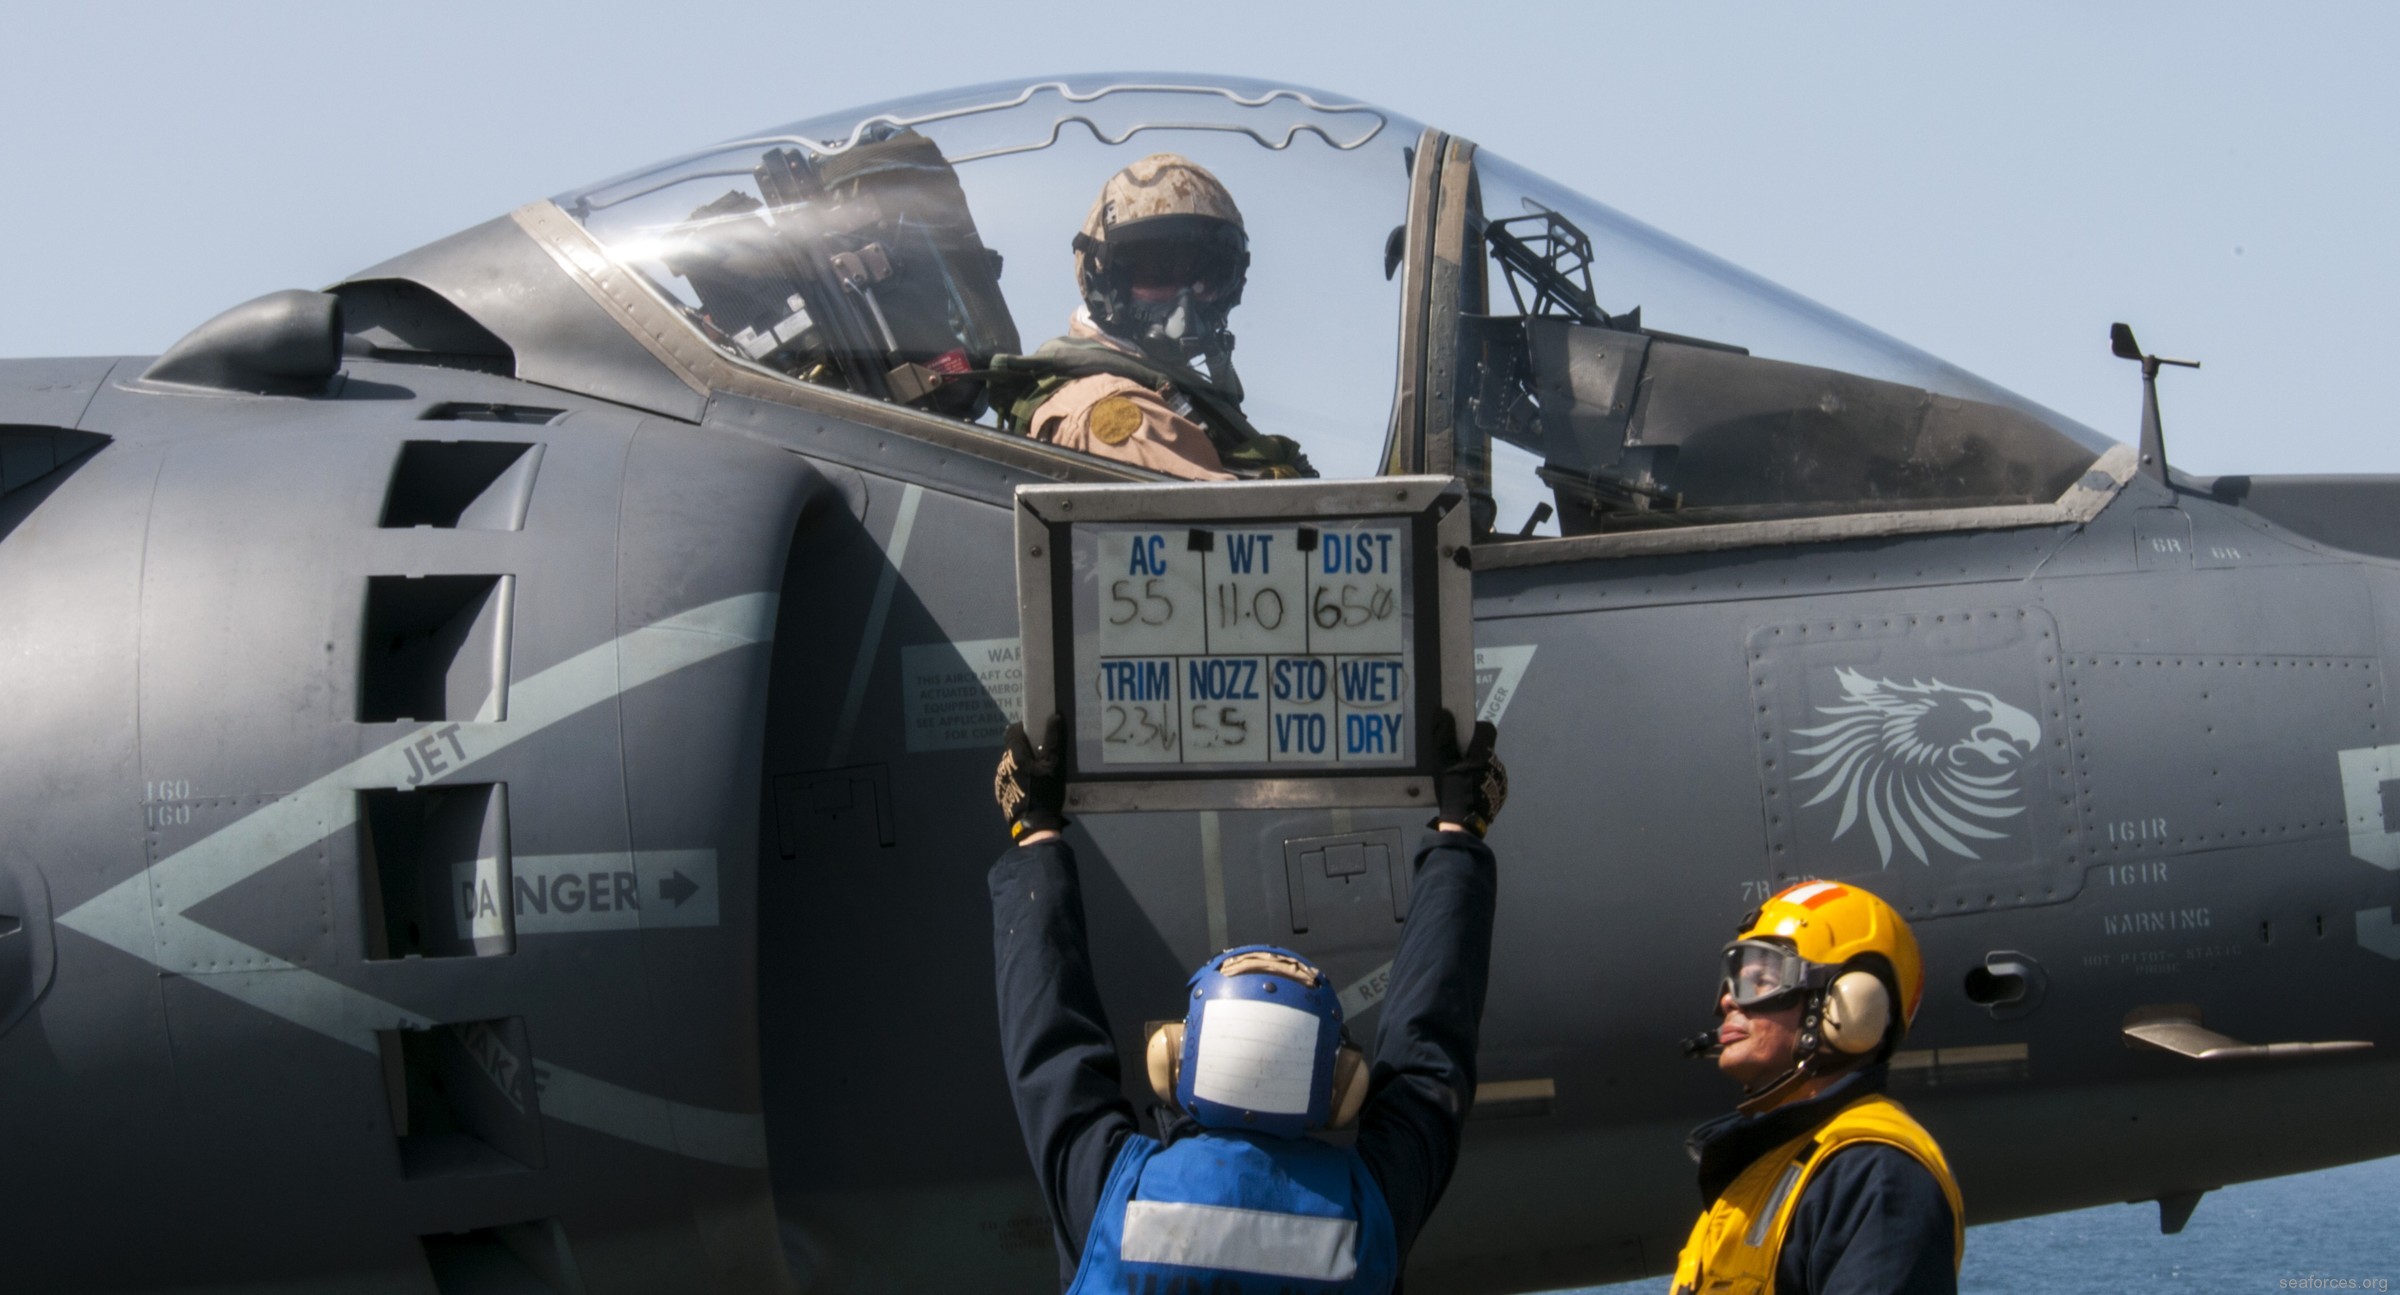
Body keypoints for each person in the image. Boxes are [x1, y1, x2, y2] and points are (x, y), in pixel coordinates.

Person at [987, 713, 1505, 1292]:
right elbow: (1429, 1053)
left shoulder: (1116, 1200)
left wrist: (1033, 833)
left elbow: (1048, 1035)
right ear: (1338, 1089)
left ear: (1176, 1059)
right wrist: (1462, 833)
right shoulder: (1366, 1217)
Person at [1672, 880, 1964, 1295]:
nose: (1728, 1002)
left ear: (1850, 1002)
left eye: (1762, 978)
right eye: (1734, 979)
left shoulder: (1874, 1173)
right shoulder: (1760, 1176)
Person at [994, 153, 1314, 481]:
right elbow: (1217, 523)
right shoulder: (1113, 415)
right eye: (1157, 272)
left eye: (1208, 276)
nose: (1185, 299)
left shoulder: (1173, 396)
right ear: (1104, 281)